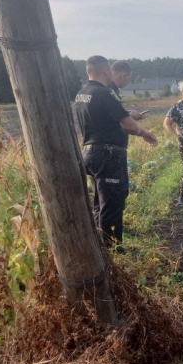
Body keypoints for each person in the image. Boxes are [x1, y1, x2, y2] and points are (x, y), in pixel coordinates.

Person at [73, 55, 158, 251]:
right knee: (112, 203)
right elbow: (129, 126)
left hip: (90, 153)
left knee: (99, 203)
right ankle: (112, 252)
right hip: (108, 156)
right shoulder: (104, 93)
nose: (111, 73)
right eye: (110, 70)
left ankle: (99, 248)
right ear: (105, 71)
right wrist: (145, 133)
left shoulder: (82, 93)